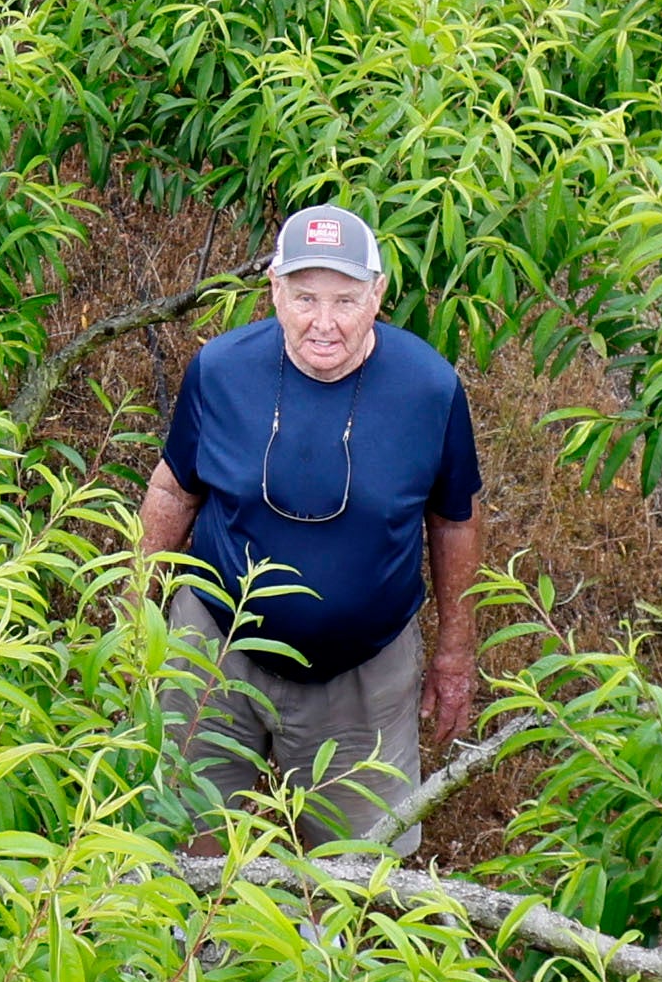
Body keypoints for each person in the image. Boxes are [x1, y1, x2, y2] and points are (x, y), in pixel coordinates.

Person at [136, 204, 484, 846]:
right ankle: (200, 947)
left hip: (361, 677)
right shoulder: (220, 369)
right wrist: (140, 613)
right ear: (274, 290)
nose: (323, 324)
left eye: (346, 301)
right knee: (185, 843)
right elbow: (172, 488)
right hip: (215, 653)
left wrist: (455, 653)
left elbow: (455, 521)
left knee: (353, 875)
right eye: (304, 298)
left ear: (378, 294)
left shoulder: (429, 388)